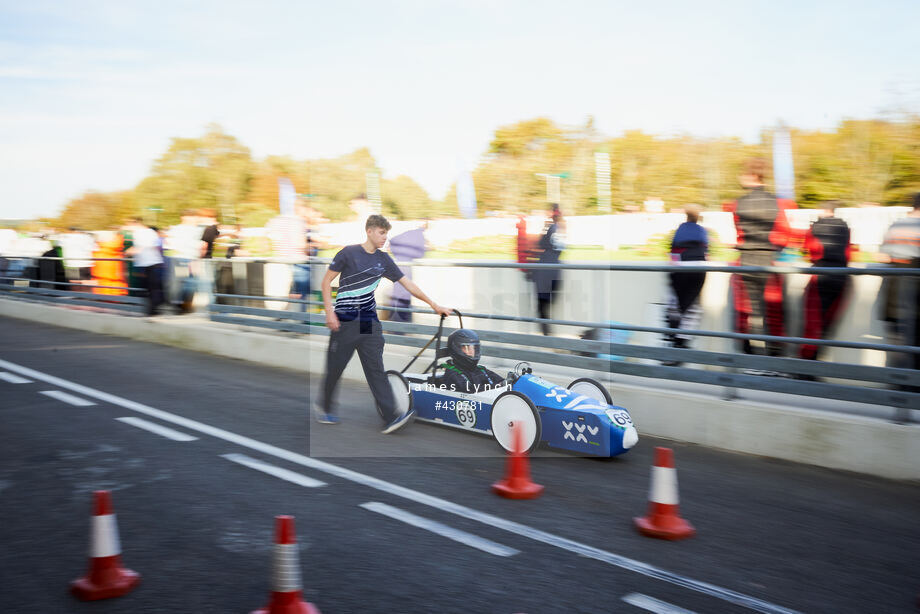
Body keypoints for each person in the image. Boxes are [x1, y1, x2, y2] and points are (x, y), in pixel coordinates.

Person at [317, 214, 452, 432]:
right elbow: (326, 281)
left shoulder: (383, 259)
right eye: (381, 233)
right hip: (346, 320)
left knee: (375, 369)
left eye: (386, 234)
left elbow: (407, 284)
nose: (384, 238)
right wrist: (329, 313)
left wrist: (434, 305)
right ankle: (325, 407)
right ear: (369, 231)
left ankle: (391, 416)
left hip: (368, 321)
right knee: (335, 368)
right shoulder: (348, 253)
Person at [723, 158, 796, 359]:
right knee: (773, 311)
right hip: (769, 262)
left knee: (743, 310)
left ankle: (746, 356)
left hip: (745, 260)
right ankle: (774, 358)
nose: (740, 177)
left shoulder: (737, 204)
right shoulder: (778, 202)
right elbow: (785, 234)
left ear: (752, 176)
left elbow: (739, 233)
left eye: (743, 173)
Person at [799, 202, 852, 367]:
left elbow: (809, 250)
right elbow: (849, 252)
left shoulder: (815, 226)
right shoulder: (845, 227)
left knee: (813, 322)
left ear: (822, 210)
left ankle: (807, 366)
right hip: (841, 277)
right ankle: (818, 363)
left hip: (820, 276)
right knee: (827, 324)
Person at [879, 193, 920, 390]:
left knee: (896, 343)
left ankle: (896, 388)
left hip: (892, 290)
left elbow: (883, 257)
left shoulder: (896, 225)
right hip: (914, 295)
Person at [662, 205, 708, 365]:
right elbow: (706, 254)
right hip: (698, 271)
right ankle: (682, 342)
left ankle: (672, 341)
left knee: (674, 305)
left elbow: (672, 255)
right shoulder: (703, 232)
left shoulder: (678, 231)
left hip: (680, 268)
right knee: (692, 306)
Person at [430, 329, 505, 393]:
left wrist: (511, 380)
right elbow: (470, 392)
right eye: (467, 348)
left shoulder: (481, 369)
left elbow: (502, 381)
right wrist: (499, 385)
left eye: (474, 348)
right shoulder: (452, 374)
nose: (472, 352)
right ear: (456, 349)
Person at [533, 204, 565, 336]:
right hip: (557, 270)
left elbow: (540, 244)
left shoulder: (550, 226)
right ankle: (548, 334)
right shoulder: (562, 228)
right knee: (546, 306)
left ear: (551, 212)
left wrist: (545, 226)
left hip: (546, 271)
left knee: (541, 307)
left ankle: (548, 335)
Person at [387, 220, 428, 323]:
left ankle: (396, 325)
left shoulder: (409, 233)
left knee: (399, 292)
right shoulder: (419, 235)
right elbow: (420, 253)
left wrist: (395, 251)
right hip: (406, 267)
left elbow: (392, 241)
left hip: (399, 265)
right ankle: (401, 325)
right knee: (405, 292)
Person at [125, 218, 165, 316]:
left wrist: (130, 252)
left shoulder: (145, 233)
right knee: (150, 288)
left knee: (152, 288)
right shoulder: (143, 233)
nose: (129, 229)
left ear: (135, 224)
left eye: (129, 226)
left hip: (151, 263)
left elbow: (146, 246)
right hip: (147, 263)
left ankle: (154, 310)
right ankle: (153, 309)